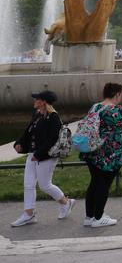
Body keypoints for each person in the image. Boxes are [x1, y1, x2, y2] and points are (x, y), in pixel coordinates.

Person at [10, 90, 73, 227]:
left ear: (43, 102)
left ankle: (66, 202)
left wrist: (39, 155)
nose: (34, 101)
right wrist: (18, 143)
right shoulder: (37, 114)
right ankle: (29, 214)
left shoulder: (53, 117)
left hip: (46, 156)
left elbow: (52, 140)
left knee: (45, 185)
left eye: (37, 99)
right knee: (28, 184)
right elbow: (28, 131)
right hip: (33, 154)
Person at [81, 83, 122, 228]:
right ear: (117, 95)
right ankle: (99, 217)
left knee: (94, 183)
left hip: (92, 151)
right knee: (103, 185)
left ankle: (90, 216)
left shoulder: (95, 107)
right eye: (121, 94)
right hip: (109, 155)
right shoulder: (116, 110)